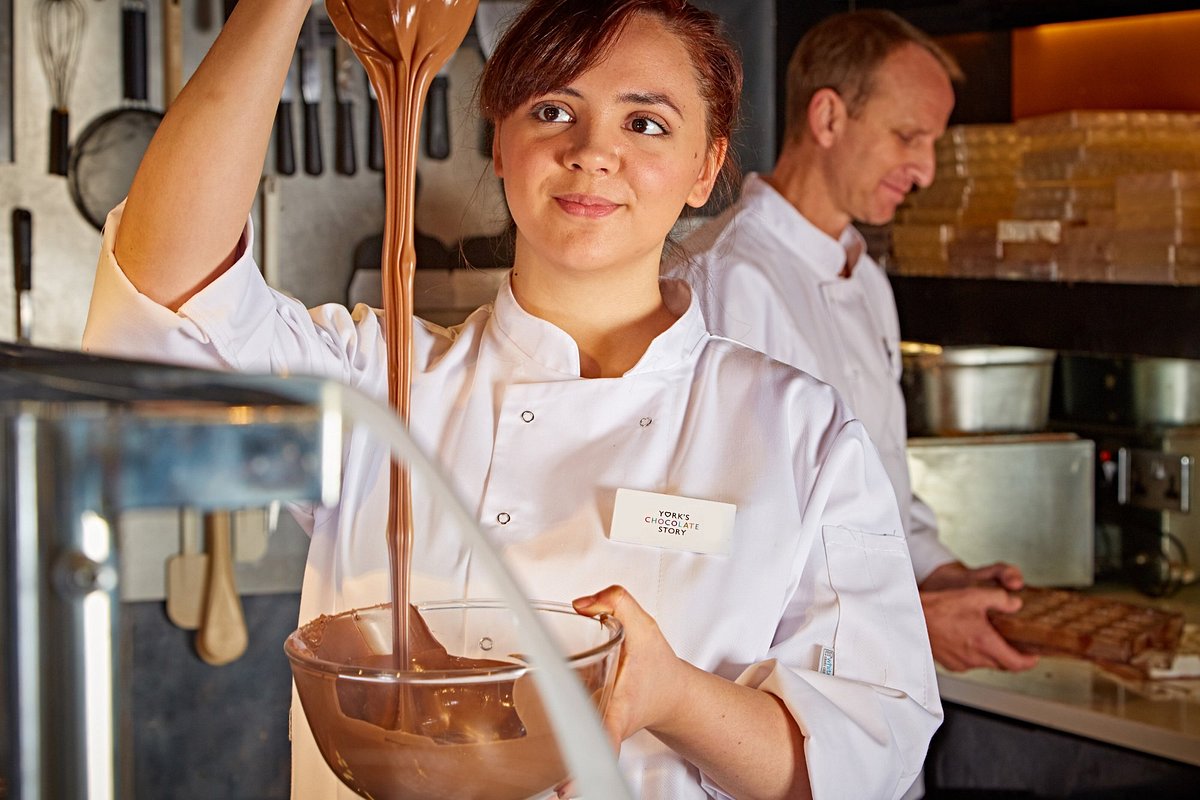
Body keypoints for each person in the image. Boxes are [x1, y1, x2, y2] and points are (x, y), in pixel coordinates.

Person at [82, 1, 941, 797]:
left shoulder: (798, 431)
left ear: (705, 167)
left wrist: (671, 695)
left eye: (645, 122)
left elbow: (869, 751)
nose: (593, 151)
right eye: (553, 110)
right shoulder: (378, 383)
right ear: (500, 143)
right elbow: (166, 303)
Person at [673, 9, 1040, 677]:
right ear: (829, 118)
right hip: (773, 693)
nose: (925, 170)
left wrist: (940, 574)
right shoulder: (722, 278)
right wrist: (911, 623)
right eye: (908, 137)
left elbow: (876, 476)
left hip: (879, 685)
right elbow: (715, 537)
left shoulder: (867, 278)